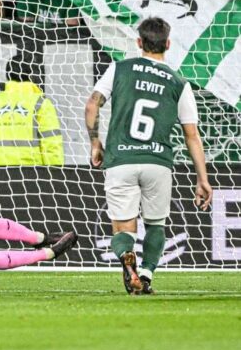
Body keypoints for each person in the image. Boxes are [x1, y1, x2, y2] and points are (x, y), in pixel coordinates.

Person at [85, 17, 212, 295]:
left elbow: (93, 104)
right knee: (156, 224)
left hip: (121, 160)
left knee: (123, 229)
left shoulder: (119, 68)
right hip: (158, 163)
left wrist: (96, 142)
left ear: (139, 42)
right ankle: (146, 274)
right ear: (167, 44)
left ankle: (127, 261)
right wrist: (202, 178)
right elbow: (192, 135)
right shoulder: (179, 82)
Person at [0, 54, 64, 166]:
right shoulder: (41, 103)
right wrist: (54, 174)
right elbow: (51, 142)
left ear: (7, 76)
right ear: (30, 75)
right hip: (32, 174)